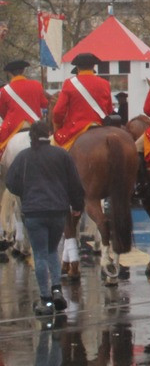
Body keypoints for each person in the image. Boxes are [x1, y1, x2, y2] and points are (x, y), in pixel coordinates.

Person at [5, 119, 84, 316]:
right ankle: (57, 289)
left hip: (34, 212)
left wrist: (25, 193)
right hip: (58, 211)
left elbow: (10, 182)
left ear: (32, 137)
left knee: (39, 253)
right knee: (51, 251)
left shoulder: (23, 157)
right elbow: (75, 182)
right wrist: (77, 206)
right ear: (48, 134)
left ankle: (45, 300)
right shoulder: (62, 155)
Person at [51, 53, 113, 149]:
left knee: (53, 147)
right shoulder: (105, 83)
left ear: (78, 68)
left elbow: (58, 111)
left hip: (76, 128)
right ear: (93, 67)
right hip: (100, 126)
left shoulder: (69, 83)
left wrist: (58, 125)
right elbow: (109, 110)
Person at [0, 59, 49, 156]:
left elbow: (3, 112)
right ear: (23, 71)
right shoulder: (36, 85)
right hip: (35, 124)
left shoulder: (4, 91)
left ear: (10, 73)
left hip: (13, 125)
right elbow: (44, 104)